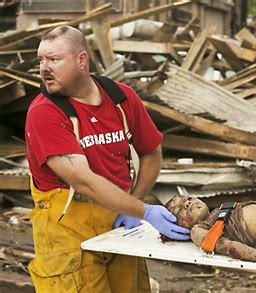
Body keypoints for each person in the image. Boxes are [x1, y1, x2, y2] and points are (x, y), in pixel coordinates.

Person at [25, 26, 189, 292]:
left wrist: (132, 203)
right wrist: (145, 211)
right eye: (41, 60)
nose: (44, 68)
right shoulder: (44, 113)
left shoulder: (120, 98)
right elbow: (83, 181)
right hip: (66, 234)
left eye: (54, 60)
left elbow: (151, 152)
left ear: (81, 60)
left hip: (119, 224)